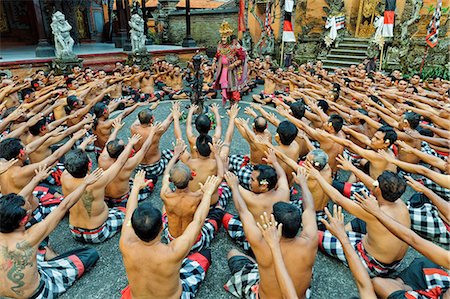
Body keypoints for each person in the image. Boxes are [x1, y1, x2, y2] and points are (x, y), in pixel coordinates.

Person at [0, 168, 103, 299]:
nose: (30, 206)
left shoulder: (5, 219)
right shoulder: (30, 237)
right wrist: (85, 183)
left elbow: (19, 198)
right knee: (90, 254)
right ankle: (53, 259)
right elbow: (64, 205)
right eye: (29, 208)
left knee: (38, 246)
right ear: (24, 219)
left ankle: (47, 258)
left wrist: (36, 179)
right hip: (38, 294)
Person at [119, 172, 219, 299]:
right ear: (162, 227)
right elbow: (198, 221)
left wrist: (135, 188)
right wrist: (208, 194)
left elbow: (129, 212)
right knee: (205, 254)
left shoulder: (125, 243)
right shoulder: (173, 251)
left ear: (133, 227)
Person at [304, 160, 410, 278]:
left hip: (373, 264)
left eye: (376, 184)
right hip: (393, 263)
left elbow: (338, 198)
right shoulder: (400, 203)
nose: (373, 184)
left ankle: (333, 236)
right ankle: (337, 232)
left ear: (379, 189)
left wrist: (318, 176)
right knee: (361, 222)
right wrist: (353, 169)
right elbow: (372, 184)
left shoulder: (375, 213)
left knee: (312, 235)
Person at [224, 168, 317, 299]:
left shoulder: (261, 242)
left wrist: (234, 186)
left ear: (273, 222)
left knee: (232, 253)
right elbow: (310, 209)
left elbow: (243, 211)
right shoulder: (311, 240)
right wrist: (303, 183)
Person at [62, 134, 141, 243]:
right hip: (97, 232)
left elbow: (72, 160)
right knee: (127, 211)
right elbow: (120, 162)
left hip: (74, 231)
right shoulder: (97, 181)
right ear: (89, 166)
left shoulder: (64, 176)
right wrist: (131, 144)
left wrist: (84, 143)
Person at [223, 149, 290, 251]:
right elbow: (282, 176)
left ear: (264, 186)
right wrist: (275, 162)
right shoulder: (284, 191)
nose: (250, 182)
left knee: (224, 216)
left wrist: (226, 172)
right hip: (276, 238)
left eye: (252, 180)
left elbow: (240, 207)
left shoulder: (253, 199)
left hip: (258, 243)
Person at [130, 106, 174, 177]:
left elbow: (139, 119)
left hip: (138, 167)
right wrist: (174, 109)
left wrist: (149, 109)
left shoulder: (133, 127)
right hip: (155, 168)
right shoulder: (156, 131)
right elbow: (169, 119)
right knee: (174, 154)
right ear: (152, 119)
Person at [213, 21, 247, 106]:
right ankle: (231, 104)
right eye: (222, 37)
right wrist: (214, 62)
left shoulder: (235, 45)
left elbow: (241, 58)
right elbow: (217, 54)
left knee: (233, 89)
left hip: (233, 71)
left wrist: (233, 64)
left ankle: (235, 105)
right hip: (223, 70)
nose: (223, 39)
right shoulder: (220, 45)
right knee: (227, 88)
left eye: (225, 37)